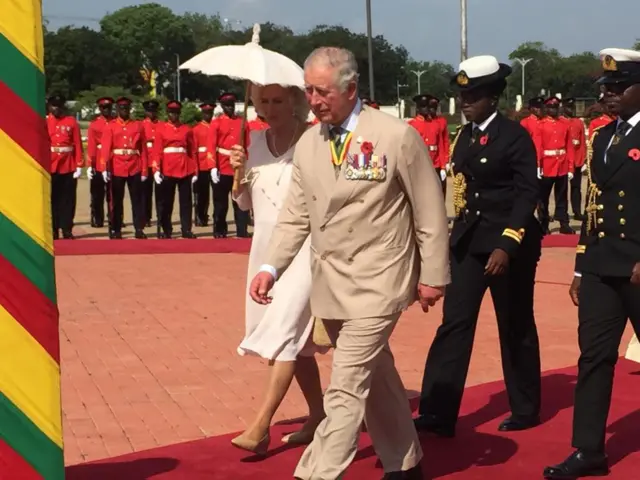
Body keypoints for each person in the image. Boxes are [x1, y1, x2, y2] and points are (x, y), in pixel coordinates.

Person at [248, 46, 450, 480]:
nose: (314, 101)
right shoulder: (309, 144)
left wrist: (433, 275)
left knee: (345, 386)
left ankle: (314, 474)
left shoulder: (395, 135)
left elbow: (430, 208)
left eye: (322, 92)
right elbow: (295, 215)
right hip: (331, 283)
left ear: (351, 88)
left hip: (380, 279)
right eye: (308, 91)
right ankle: (404, 462)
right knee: (376, 376)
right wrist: (270, 267)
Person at [414, 55, 542, 438]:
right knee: (454, 324)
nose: (465, 102)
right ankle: (437, 411)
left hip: (508, 245)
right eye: (462, 95)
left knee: (514, 323)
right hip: (470, 242)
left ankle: (524, 407)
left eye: (474, 95)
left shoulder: (514, 136)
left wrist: (508, 243)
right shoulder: (464, 135)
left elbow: (527, 193)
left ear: (494, 97)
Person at [544, 47, 640, 480]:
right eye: (607, 89)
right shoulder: (602, 136)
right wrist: (581, 266)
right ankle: (588, 449)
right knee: (594, 358)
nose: (611, 96)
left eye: (621, 87)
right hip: (603, 265)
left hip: (638, 265)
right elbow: (594, 205)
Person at [227, 82, 327, 456]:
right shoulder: (252, 145)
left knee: (285, 332)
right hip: (266, 249)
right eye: (263, 101)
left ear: (296, 103)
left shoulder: (315, 140)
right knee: (297, 344)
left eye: (278, 100)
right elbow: (243, 204)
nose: (269, 107)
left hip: (307, 249)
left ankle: (261, 425)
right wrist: (236, 173)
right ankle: (318, 415)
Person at [100, 97, 148, 240]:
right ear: (117, 109)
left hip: (134, 165)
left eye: (126, 108)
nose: (124, 110)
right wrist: (104, 168)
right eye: (121, 108)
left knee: (137, 200)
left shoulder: (138, 125)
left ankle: (139, 228)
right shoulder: (111, 126)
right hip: (117, 166)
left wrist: (145, 169)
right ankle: (116, 229)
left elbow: (143, 149)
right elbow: (106, 148)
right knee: (116, 200)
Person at [206, 92, 251, 238]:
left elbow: (248, 145)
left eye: (231, 105)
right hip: (222, 165)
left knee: (240, 202)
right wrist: (212, 166)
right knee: (220, 204)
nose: (229, 108)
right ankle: (219, 231)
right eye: (226, 106)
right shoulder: (216, 123)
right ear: (222, 107)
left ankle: (242, 231)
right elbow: (211, 145)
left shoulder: (242, 122)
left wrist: (248, 165)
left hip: (238, 166)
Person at [153, 100, 198, 239]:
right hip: (168, 167)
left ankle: (186, 229)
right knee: (166, 201)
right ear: (167, 113)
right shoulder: (161, 129)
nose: (174, 115)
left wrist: (195, 170)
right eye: (171, 113)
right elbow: (157, 151)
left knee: (186, 202)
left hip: (184, 167)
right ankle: (166, 229)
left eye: (176, 113)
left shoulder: (186, 129)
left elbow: (192, 150)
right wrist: (156, 169)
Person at [536, 96, 576, 234]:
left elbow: (569, 146)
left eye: (555, 107)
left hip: (562, 164)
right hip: (547, 164)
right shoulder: (540, 125)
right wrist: (538, 166)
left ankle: (564, 223)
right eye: (550, 107)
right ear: (546, 108)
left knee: (562, 197)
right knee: (543, 197)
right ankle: (543, 223)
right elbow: (538, 147)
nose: (553, 109)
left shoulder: (565, 124)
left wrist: (571, 167)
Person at [46, 94, 83, 240]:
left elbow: (77, 144)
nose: (56, 109)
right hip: (51, 163)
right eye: (53, 106)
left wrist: (79, 164)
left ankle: (67, 228)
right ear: (49, 107)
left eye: (59, 106)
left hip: (68, 164)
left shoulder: (71, 121)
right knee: (52, 199)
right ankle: (53, 229)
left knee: (68, 199)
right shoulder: (45, 121)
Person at [408, 94, 450, 196]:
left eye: (427, 106)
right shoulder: (411, 125)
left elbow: (440, 144)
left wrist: (443, 166)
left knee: (438, 194)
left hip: (434, 164)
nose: (426, 109)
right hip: (419, 164)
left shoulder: (435, 124)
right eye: (423, 106)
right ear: (417, 108)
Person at [86, 96, 114, 228]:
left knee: (113, 192)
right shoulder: (94, 124)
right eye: (103, 108)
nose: (106, 110)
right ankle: (97, 217)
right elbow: (91, 145)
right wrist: (90, 164)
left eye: (108, 107)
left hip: (113, 160)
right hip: (98, 159)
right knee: (97, 193)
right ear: (100, 109)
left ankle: (114, 217)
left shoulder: (115, 122)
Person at [562, 98, 588, 220]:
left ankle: (577, 212)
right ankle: (562, 213)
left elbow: (582, 142)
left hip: (576, 160)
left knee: (576, 188)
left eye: (572, 108)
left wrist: (583, 160)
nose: (571, 110)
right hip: (562, 161)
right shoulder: (560, 122)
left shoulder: (578, 122)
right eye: (568, 108)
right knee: (561, 190)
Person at [193, 102, 216, 226]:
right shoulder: (196, 129)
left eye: (210, 113)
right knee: (201, 194)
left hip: (214, 164)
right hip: (202, 164)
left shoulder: (216, 126)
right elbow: (194, 150)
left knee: (216, 195)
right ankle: (200, 216)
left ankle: (213, 216)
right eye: (206, 113)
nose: (208, 115)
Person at [142, 100, 160, 230]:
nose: (151, 113)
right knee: (145, 192)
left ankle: (161, 216)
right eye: (149, 111)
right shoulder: (141, 125)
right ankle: (145, 217)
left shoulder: (162, 125)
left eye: (153, 111)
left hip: (159, 162)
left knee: (161, 193)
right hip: (146, 161)